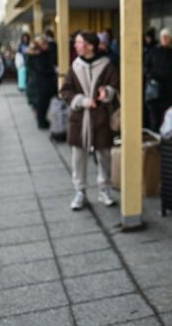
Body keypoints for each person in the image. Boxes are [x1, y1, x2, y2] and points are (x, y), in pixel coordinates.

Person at [59, 31, 120, 210]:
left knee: (104, 155)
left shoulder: (107, 65)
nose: (75, 46)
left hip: (102, 117)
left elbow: (115, 86)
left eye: (79, 42)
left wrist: (107, 92)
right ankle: (80, 192)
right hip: (79, 118)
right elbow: (65, 91)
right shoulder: (75, 66)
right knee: (78, 156)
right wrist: (83, 101)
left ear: (90, 46)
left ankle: (105, 190)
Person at [144, 27, 172, 131]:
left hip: (170, 92)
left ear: (171, 39)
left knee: (168, 119)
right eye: (163, 37)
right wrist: (151, 75)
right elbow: (146, 67)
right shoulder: (153, 51)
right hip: (155, 91)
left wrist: (159, 74)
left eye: (167, 37)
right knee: (154, 119)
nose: (165, 39)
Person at [27, 35, 58, 129]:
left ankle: (43, 120)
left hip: (43, 81)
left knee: (44, 103)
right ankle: (42, 121)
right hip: (43, 82)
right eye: (45, 44)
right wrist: (53, 69)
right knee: (43, 103)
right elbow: (42, 68)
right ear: (40, 45)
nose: (47, 45)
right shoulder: (38, 55)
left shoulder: (40, 53)